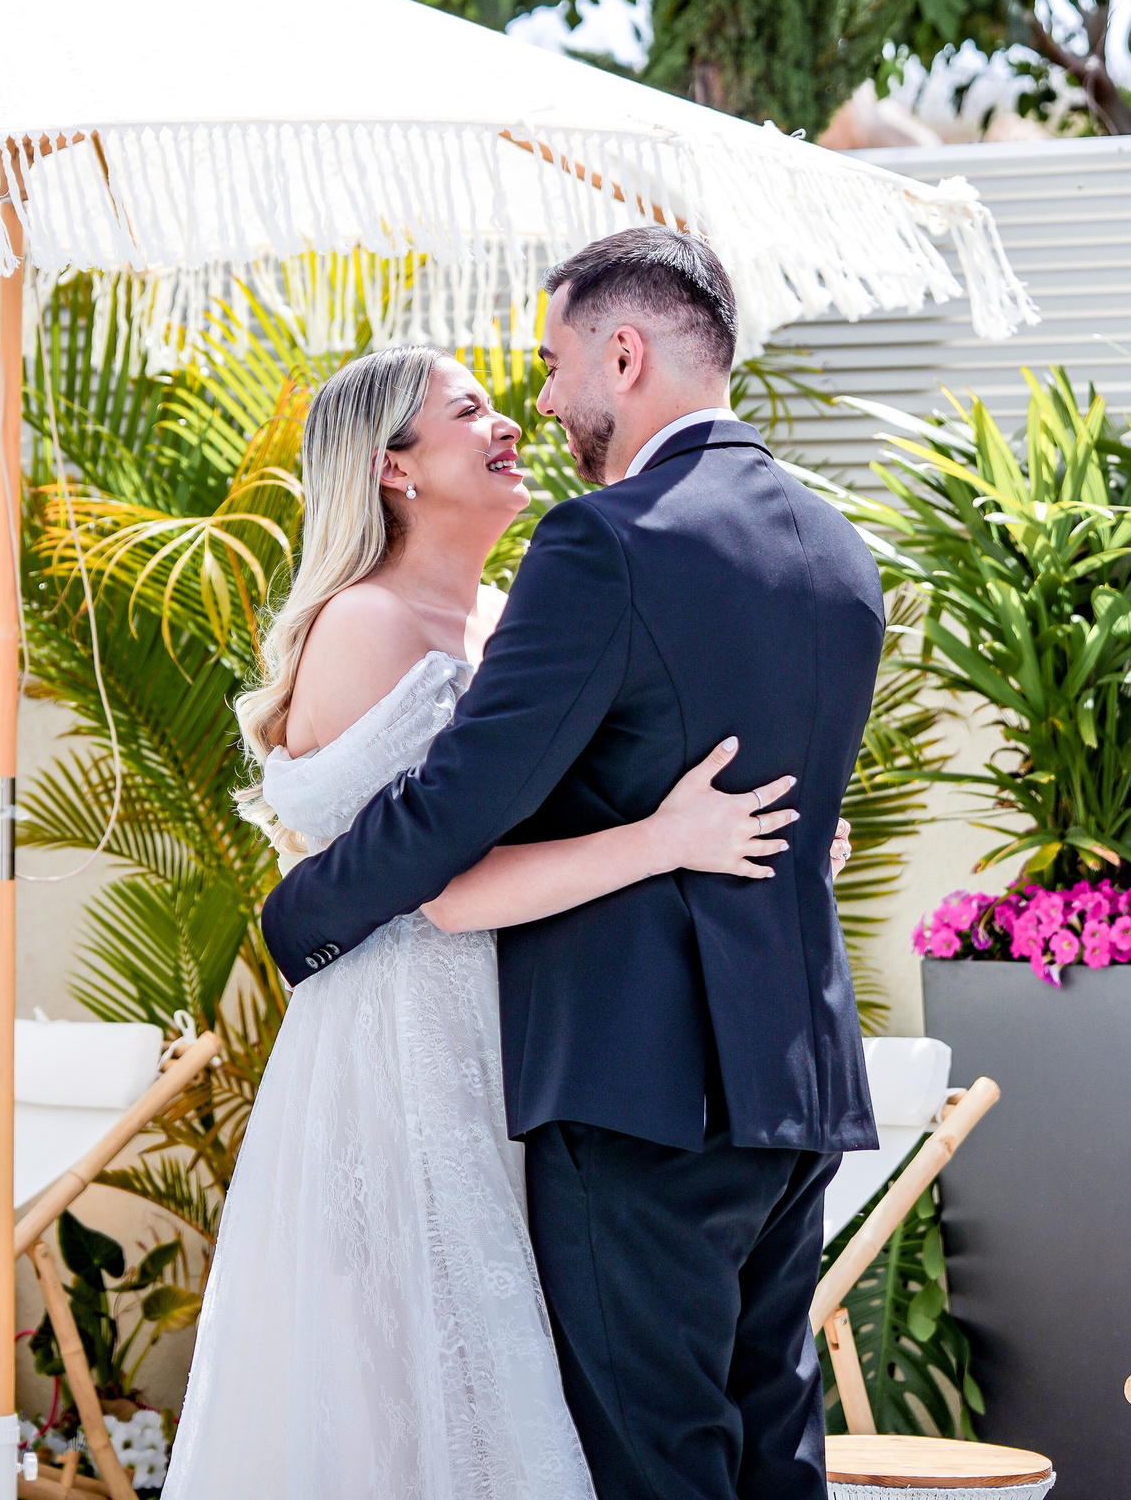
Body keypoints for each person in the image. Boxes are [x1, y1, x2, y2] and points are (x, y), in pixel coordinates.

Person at [262, 227, 885, 1500]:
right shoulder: (839, 550)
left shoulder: (604, 543)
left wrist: (299, 913)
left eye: (550, 365)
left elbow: (455, 810)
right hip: (795, 1085)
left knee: (658, 1467)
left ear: (624, 353)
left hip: (638, 1094)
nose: (540, 401)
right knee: (775, 1453)